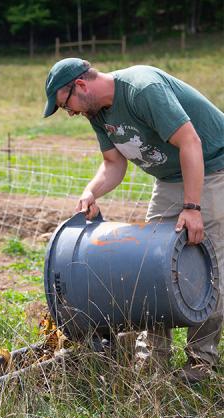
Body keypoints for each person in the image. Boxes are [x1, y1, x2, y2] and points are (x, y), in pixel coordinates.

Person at [43, 57, 224, 383]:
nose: (70, 113)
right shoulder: (97, 112)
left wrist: (193, 207)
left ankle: (200, 365)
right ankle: (153, 359)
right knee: (151, 266)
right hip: (169, 179)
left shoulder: (143, 88)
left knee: (207, 268)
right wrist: (91, 191)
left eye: (66, 105)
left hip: (212, 168)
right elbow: (114, 164)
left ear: (80, 85)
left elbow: (190, 142)